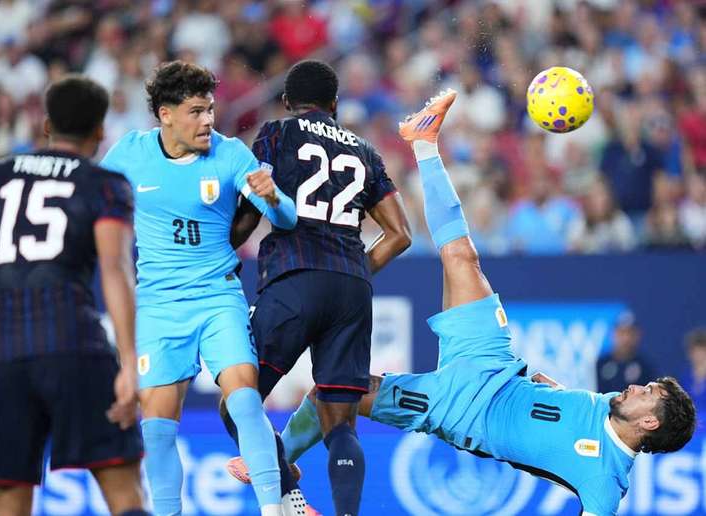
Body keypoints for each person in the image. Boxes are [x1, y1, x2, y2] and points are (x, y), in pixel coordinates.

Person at [274, 90, 697, 516]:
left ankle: (279, 462)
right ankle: (423, 141)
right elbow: (562, 408)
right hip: (494, 361)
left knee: (339, 388)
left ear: (649, 423)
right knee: (462, 255)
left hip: (460, 409)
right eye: (648, 384)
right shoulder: (610, 404)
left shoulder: (606, 483)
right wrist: (547, 386)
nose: (637, 387)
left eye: (648, 393)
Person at [0, 75, 147, 516]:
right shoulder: (105, 184)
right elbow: (115, 267)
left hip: (3, 355)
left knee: (9, 505)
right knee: (125, 496)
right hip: (77, 347)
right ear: (100, 131)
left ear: (46, 125)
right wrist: (128, 362)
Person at [99, 60, 297, 516]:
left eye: (209, 109)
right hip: (157, 305)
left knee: (245, 397)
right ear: (165, 114)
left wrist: (271, 196)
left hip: (216, 296)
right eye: (195, 111)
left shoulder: (229, 154)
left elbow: (286, 217)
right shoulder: (129, 154)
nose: (208, 120)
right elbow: (88, 201)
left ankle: (273, 509)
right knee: (158, 429)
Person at [223, 59, 412, 516]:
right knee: (340, 424)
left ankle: (289, 494)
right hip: (350, 286)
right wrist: (355, 270)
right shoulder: (366, 151)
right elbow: (401, 233)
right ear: (335, 104)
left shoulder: (277, 132)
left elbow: (254, 203)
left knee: (238, 402)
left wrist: (223, 249)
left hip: (293, 276)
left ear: (288, 103)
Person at [596, 311, 655, 394]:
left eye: (630, 333)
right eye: (621, 333)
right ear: (613, 334)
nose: (625, 339)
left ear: (637, 335)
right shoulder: (601, 364)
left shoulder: (645, 367)